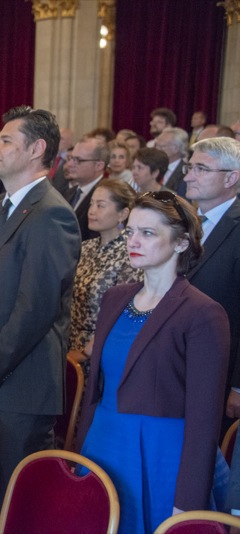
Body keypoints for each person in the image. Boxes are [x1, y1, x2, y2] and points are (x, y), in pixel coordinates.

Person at [0, 106, 81, 530]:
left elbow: (34, 311)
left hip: (19, 389)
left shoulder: (52, 214)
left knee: (13, 513)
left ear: (37, 149)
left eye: (6, 140)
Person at [78, 191, 230, 532]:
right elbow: (96, 390)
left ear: (181, 243)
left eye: (148, 233)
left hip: (160, 456)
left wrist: (188, 502)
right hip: (103, 443)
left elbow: (204, 420)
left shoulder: (203, 313)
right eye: (130, 231)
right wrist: (80, 452)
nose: (133, 241)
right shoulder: (116, 297)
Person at [183, 138, 240, 433]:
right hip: (178, 364)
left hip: (220, 371)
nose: (188, 177)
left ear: (231, 178)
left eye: (201, 169)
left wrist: (239, 386)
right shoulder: (185, 221)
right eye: (189, 167)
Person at [67, 179, 142, 372]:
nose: (92, 211)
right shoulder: (86, 247)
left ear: (123, 214)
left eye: (100, 205)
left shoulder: (129, 254)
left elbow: (122, 315)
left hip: (100, 352)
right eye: (91, 204)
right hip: (69, 343)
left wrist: (86, 352)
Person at [64, 137, 108, 241]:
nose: (70, 164)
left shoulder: (107, 196)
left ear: (98, 165)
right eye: (71, 158)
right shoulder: (69, 192)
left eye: (78, 160)